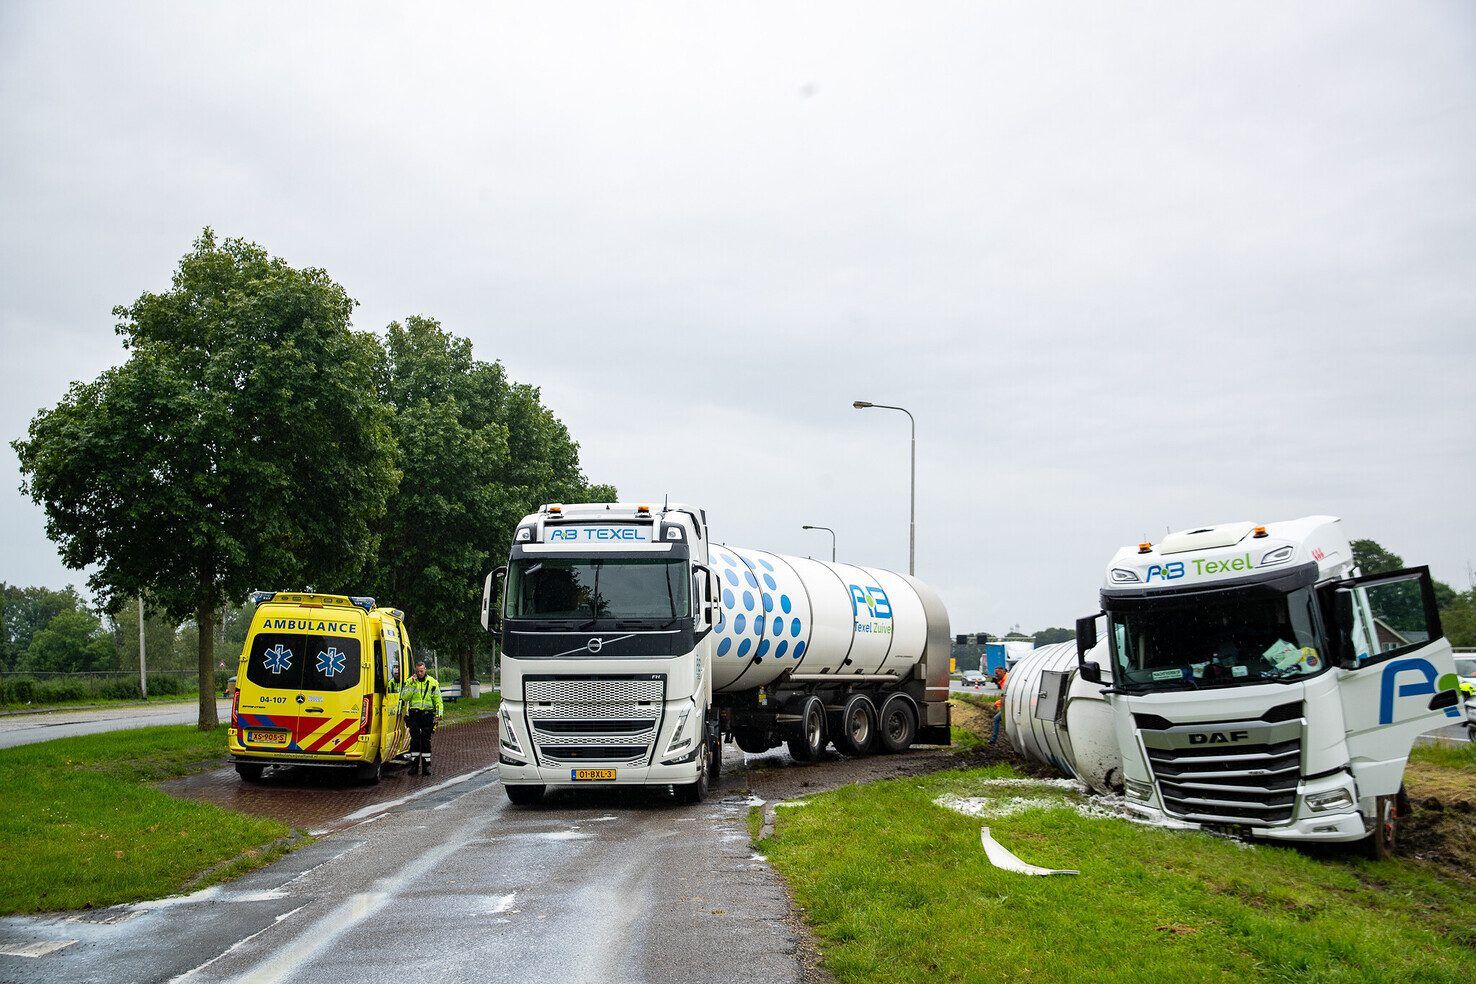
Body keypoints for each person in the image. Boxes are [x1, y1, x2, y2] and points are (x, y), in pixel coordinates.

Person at [402, 661, 444, 775]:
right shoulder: (410, 682)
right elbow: (404, 697)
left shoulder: (432, 682)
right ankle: (414, 767)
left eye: (422, 671)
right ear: (415, 670)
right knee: (414, 741)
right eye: (418, 671)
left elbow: (438, 699)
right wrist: (412, 684)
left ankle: (427, 767)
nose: (420, 673)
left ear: (425, 669)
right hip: (414, 715)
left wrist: (439, 714)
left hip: (427, 715)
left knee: (426, 741)